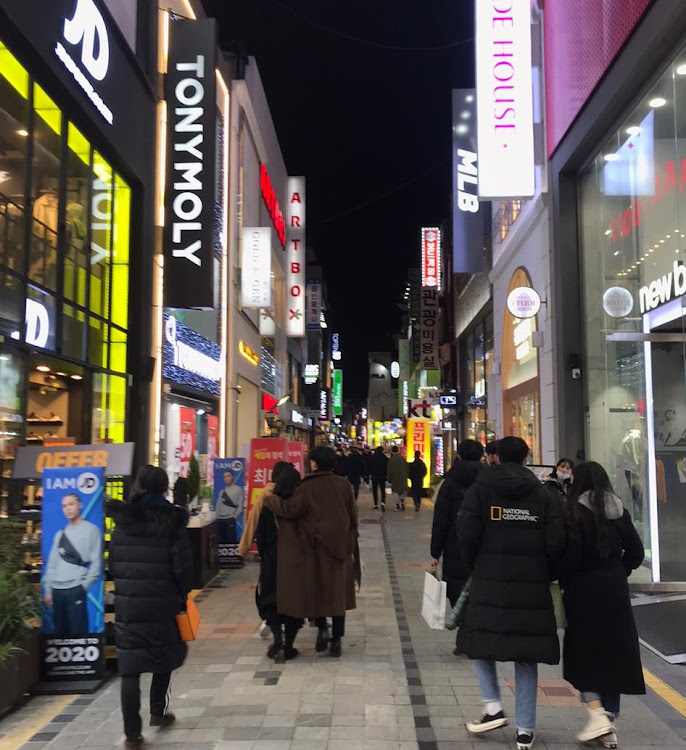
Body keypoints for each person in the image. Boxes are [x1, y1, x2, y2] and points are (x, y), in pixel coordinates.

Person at [456, 436, 565, 750]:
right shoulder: (543, 495)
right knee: (526, 655)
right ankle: (525, 730)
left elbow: (466, 534)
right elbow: (556, 541)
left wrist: (477, 564)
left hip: (489, 578)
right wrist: (546, 571)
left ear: (495, 458)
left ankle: (492, 706)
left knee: (479, 640)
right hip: (532, 583)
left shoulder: (480, 491)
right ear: (526, 458)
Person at [558, 461, 645, 747]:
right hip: (615, 588)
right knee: (613, 654)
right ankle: (608, 723)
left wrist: (562, 578)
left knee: (583, 653)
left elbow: (570, 557)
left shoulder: (574, 512)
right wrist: (619, 569)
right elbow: (635, 551)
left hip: (583, 590)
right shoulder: (619, 510)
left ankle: (598, 716)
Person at [108, 467, 193, 750]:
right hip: (163, 600)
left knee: (129, 670)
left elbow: (114, 563)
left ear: (139, 486)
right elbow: (182, 568)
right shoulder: (172, 522)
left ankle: (132, 735)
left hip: (129, 604)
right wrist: (182, 596)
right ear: (164, 488)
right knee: (163, 654)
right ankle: (158, 711)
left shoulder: (123, 521)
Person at [263, 445, 361, 658]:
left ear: (314, 463)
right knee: (337, 594)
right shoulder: (344, 485)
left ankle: (322, 629)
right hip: (341, 548)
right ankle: (336, 639)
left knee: (320, 591)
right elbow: (353, 515)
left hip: (317, 549)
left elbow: (291, 510)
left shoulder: (307, 487)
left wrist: (269, 498)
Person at [430, 439, 484, 652]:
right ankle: (472, 631)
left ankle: (464, 629)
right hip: (482, 544)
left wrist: (435, 551)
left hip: (455, 544)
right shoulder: (487, 480)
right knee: (478, 588)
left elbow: (440, 519)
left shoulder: (450, 482)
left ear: (459, 456)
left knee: (455, 588)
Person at [255, 461, 303, 662]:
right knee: (293, 602)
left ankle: (277, 641)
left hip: (272, 562)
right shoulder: (301, 507)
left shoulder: (268, 506)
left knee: (270, 601)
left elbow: (261, 537)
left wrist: (266, 557)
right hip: (295, 563)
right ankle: (289, 645)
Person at [43, 493, 102, 636]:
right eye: (64, 506)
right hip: (57, 590)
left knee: (78, 633)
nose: (67, 509)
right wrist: (48, 590)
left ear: (80, 505)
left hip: (76, 588)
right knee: (59, 634)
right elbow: (52, 565)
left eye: (71, 504)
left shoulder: (91, 530)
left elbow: (96, 563)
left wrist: (84, 586)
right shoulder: (60, 534)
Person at [216, 470, 244, 544]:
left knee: (231, 541)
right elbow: (218, 505)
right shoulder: (222, 491)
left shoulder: (238, 489)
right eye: (224, 477)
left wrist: (234, 517)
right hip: (220, 519)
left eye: (228, 476)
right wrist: (217, 515)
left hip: (230, 519)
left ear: (232, 477)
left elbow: (240, 505)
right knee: (220, 542)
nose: (226, 478)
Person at [387, 445, 409, 511]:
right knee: (402, 491)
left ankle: (397, 506)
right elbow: (407, 468)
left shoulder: (391, 460)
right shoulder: (403, 459)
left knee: (395, 492)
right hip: (403, 477)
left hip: (395, 478)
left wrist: (389, 478)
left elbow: (389, 470)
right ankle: (402, 502)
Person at [370, 446, 389, 510]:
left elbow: (369, 466)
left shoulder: (372, 457)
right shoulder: (384, 458)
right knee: (382, 490)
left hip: (374, 476)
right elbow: (387, 467)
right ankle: (382, 503)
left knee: (375, 490)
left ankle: (375, 504)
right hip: (382, 476)